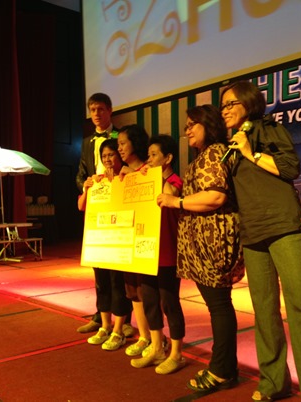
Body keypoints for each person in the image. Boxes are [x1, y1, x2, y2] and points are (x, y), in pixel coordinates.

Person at [221, 80, 301, 402]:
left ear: (248, 103)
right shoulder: (231, 145)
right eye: (222, 106)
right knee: (264, 311)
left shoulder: (269, 128)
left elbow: (290, 168)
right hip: (253, 233)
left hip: (284, 228)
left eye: (231, 104)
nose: (225, 111)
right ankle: (274, 382)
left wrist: (251, 153)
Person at [157, 105, 243, 392]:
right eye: (186, 126)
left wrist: (177, 202)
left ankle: (221, 370)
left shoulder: (215, 152)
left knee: (219, 306)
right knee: (217, 305)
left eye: (192, 124)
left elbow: (215, 197)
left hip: (214, 242)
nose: (188, 130)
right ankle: (225, 368)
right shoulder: (204, 156)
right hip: (203, 243)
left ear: (209, 124)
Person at [75, 92, 134, 338]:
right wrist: (87, 186)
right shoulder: (87, 142)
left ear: (110, 110)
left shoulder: (121, 136)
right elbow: (81, 174)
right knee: (99, 270)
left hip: (119, 209)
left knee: (119, 273)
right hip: (96, 210)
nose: (96, 114)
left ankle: (124, 320)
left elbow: (131, 165)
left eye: (100, 109)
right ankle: (101, 317)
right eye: (92, 110)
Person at [131, 134, 186, 375]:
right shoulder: (148, 179)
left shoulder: (174, 181)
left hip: (168, 254)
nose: (149, 160)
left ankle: (176, 354)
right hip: (147, 252)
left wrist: (155, 176)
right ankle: (156, 347)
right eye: (148, 155)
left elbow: (169, 194)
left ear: (168, 158)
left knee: (169, 303)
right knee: (150, 301)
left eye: (154, 155)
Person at [112, 124, 153, 354]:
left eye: (122, 143)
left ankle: (156, 339)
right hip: (127, 241)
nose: (119, 149)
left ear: (135, 143)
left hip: (146, 243)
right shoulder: (123, 173)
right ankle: (144, 336)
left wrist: (137, 177)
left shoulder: (150, 171)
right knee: (132, 290)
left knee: (147, 292)